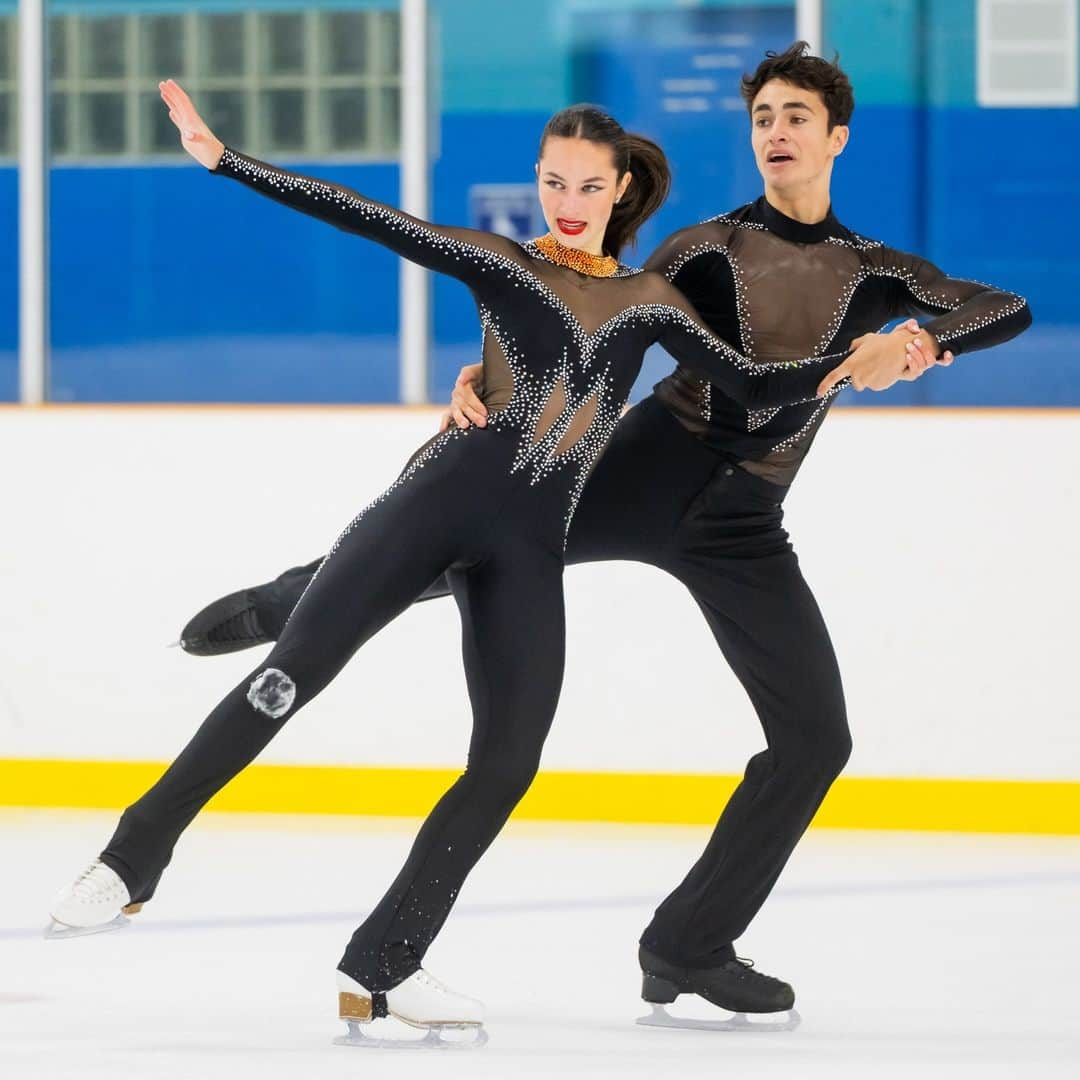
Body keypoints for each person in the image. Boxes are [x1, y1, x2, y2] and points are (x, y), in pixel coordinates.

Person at [178, 43, 1032, 1029]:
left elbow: (1003, 306)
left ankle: (688, 945)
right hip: (642, 468)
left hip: (744, 524)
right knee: (461, 549)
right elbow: (580, 310)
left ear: (837, 137)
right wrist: (486, 380)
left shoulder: (878, 272)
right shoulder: (706, 249)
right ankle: (298, 598)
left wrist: (920, 339)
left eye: (798, 117)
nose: (778, 133)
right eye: (763, 118)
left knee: (815, 739)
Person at [46, 82, 872, 1047]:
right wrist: (227, 160)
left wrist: (866, 358)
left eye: (588, 185)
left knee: (508, 762)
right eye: (554, 180)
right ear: (538, 183)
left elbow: (756, 384)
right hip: (425, 511)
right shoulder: (500, 262)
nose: (568, 199)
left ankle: (384, 967)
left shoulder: (650, 301)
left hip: (527, 548)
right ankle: (132, 857)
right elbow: (366, 214)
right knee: (286, 682)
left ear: (618, 191)